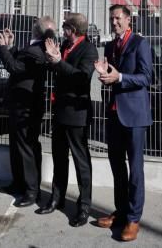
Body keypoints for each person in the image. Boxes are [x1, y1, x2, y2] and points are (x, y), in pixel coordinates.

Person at [94, 4, 153, 242]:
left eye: (118, 18)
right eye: (111, 19)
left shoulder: (140, 43)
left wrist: (120, 77)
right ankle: (120, 212)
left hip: (135, 116)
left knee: (135, 171)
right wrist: (104, 74)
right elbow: (111, 78)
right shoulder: (110, 45)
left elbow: (147, 77)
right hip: (114, 114)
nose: (114, 22)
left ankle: (133, 219)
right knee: (117, 167)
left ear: (129, 20)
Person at [39, 13, 97, 227]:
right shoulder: (64, 45)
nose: (62, 31)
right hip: (60, 111)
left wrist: (59, 62)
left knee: (81, 162)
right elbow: (58, 69)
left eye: (65, 27)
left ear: (73, 29)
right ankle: (56, 198)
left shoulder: (89, 50)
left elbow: (81, 79)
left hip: (77, 114)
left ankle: (84, 206)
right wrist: (51, 60)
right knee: (59, 157)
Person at [0, 16, 50, 206]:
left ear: (35, 29)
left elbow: (15, 67)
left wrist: (2, 47)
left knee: (26, 147)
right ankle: (18, 183)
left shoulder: (37, 49)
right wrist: (11, 46)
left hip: (26, 106)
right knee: (17, 145)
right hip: (21, 104)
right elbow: (21, 61)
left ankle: (31, 190)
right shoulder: (35, 46)